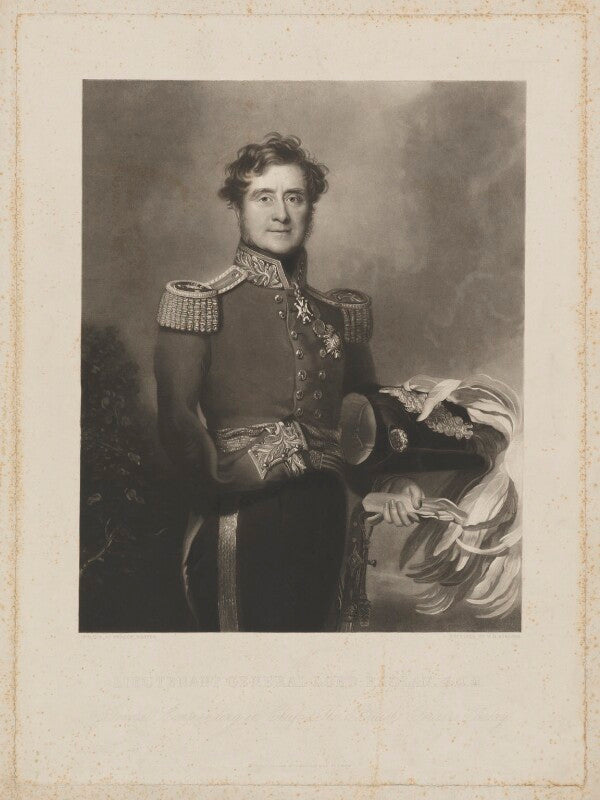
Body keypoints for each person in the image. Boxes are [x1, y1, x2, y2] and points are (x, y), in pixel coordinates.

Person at [154, 133, 515, 632]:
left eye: (294, 197)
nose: (281, 213)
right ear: (237, 207)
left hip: (331, 522)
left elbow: (365, 424)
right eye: (264, 197)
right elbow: (177, 424)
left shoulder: (339, 313)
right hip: (241, 522)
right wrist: (246, 472)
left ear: (311, 209)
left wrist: (391, 485)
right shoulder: (201, 305)